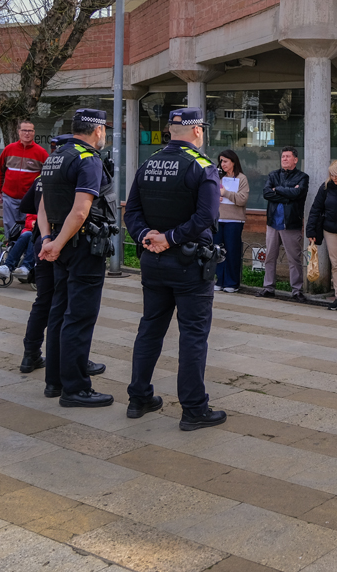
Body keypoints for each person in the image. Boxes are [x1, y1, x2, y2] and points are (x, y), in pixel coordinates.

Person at [123, 107, 227, 431]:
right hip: (188, 265)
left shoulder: (148, 163)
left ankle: (139, 397)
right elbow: (205, 218)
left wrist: (147, 237)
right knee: (193, 336)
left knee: (150, 329)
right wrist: (169, 238)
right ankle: (194, 409)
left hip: (152, 262)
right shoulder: (203, 166)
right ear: (197, 132)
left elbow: (132, 213)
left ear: (170, 131)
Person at [37, 108, 118, 408]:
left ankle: (54, 381)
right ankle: (75, 388)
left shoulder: (55, 156)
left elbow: (43, 205)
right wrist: (57, 242)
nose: (104, 135)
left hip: (59, 243)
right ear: (97, 131)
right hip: (82, 245)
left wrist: (49, 239)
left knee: (59, 312)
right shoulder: (88, 159)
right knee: (79, 317)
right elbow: (81, 211)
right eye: (104, 130)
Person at [17, 174, 105, 378]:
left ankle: (31, 354)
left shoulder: (43, 176)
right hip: (65, 242)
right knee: (68, 304)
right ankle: (73, 360)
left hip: (43, 240)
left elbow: (27, 205)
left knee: (45, 301)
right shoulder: (75, 175)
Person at [260, 146, 310, 302]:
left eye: (288, 156)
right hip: (273, 223)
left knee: (294, 259)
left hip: (291, 223)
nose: (285, 159)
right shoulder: (273, 175)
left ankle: (296, 290)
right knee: (270, 257)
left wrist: (278, 190)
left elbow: (298, 193)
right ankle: (268, 288)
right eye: (283, 157)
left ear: (295, 159)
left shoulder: (302, 177)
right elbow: (267, 193)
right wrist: (287, 195)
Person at [307, 159, 337, 310]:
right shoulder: (326, 186)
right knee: (335, 265)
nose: (334, 177)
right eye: (332, 174)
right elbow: (315, 208)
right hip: (330, 230)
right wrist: (311, 230)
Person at [0, 121, 48, 238]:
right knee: (9, 224)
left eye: (30, 131)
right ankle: (11, 248)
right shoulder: (9, 149)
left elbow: (48, 176)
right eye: (24, 130)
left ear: (34, 133)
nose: (27, 133)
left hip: (30, 198)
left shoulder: (41, 153)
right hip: (9, 196)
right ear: (19, 132)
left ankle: (25, 251)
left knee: (28, 226)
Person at [214, 149, 249, 294]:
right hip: (218, 218)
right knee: (218, 251)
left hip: (234, 220)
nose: (223, 164)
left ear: (233, 162)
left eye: (225, 161)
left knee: (232, 251)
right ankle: (220, 279)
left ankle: (232, 282)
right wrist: (216, 196)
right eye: (221, 161)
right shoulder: (217, 176)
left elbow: (242, 199)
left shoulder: (241, 178)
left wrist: (225, 193)